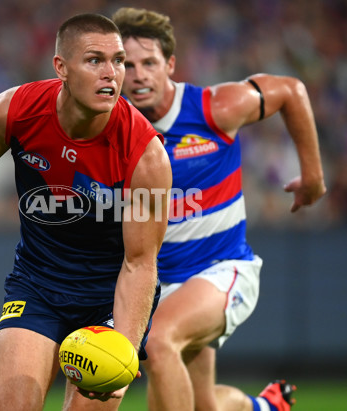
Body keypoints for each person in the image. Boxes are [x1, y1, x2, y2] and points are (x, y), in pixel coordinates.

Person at [0, 13, 172, 411]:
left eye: (118, 61)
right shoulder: (16, 109)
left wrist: (124, 352)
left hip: (109, 299)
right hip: (38, 286)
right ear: (61, 67)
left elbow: (140, 263)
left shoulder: (145, 155)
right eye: (95, 60)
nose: (111, 73)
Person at [112, 7, 326, 411]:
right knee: (203, 403)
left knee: (157, 341)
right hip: (161, 287)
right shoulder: (113, 130)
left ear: (170, 64)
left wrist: (312, 177)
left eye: (149, 63)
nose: (138, 75)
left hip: (222, 270)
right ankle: (264, 406)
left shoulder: (212, 109)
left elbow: (291, 91)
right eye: (128, 64)